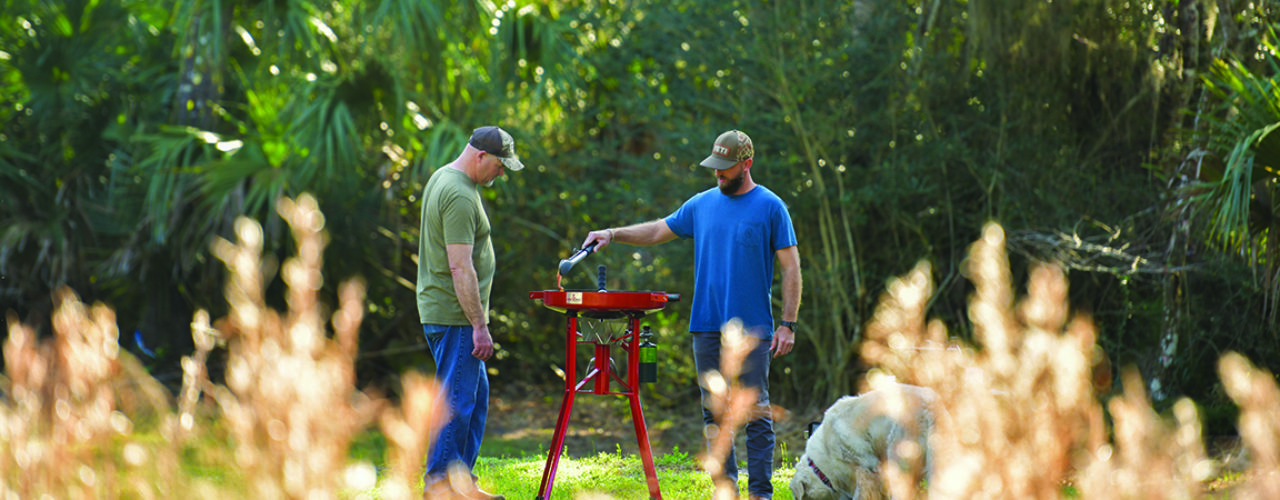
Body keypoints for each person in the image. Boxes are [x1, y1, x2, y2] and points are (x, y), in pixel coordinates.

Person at [580, 129, 802, 500]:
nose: (718, 174)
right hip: (705, 326)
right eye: (715, 167)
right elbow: (656, 231)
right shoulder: (701, 204)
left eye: (726, 168)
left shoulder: (771, 207)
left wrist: (788, 324)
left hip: (753, 329)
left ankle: (760, 493)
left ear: (747, 164)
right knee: (713, 412)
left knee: (756, 412)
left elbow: (791, 267)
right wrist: (612, 233)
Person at [417, 126, 524, 500]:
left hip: (449, 312)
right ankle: (440, 484)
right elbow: (460, 266)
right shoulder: (459, 194)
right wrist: (479, 325)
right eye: (499, 165)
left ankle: (460, 481)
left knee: (473, 398)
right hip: (455, 315)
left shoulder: (444, 178)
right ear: (481, 156)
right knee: (458, 401)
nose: (501, 173)